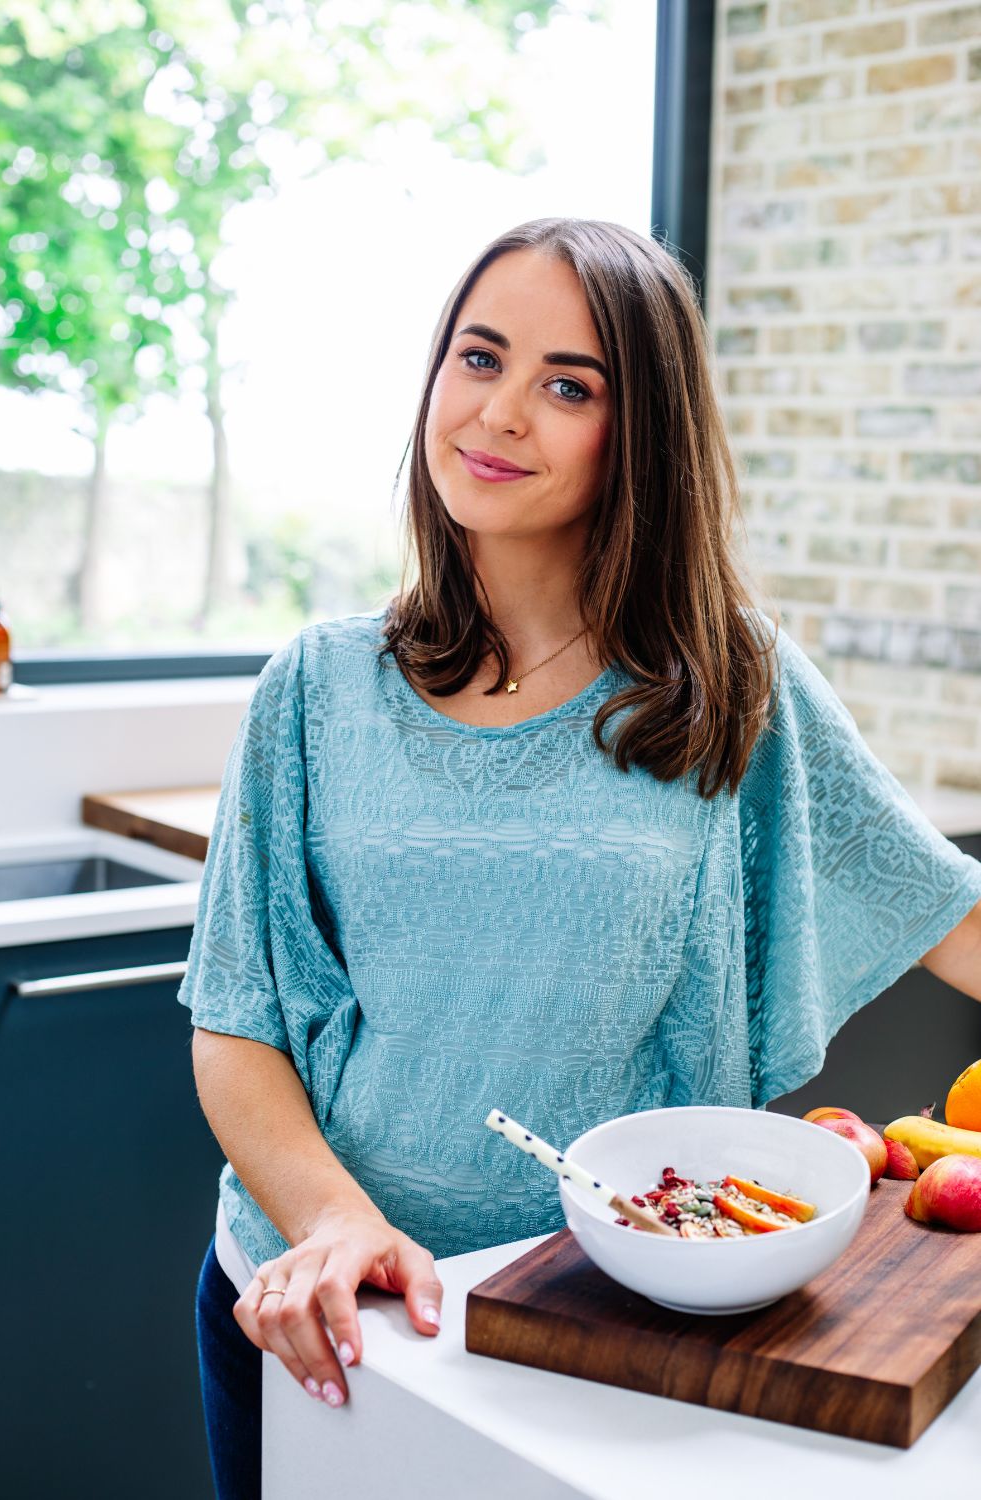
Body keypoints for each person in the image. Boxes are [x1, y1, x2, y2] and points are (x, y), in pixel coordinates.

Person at [178, 216, 981, 1497]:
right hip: (329, 1309)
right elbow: (237, 1020)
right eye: (477, 359)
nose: (498, 413)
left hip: (603, 1326)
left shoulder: (731, 687)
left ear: (639, 435)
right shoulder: (315, 689)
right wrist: (339, 1223)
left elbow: (955, 918)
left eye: (568, 385)